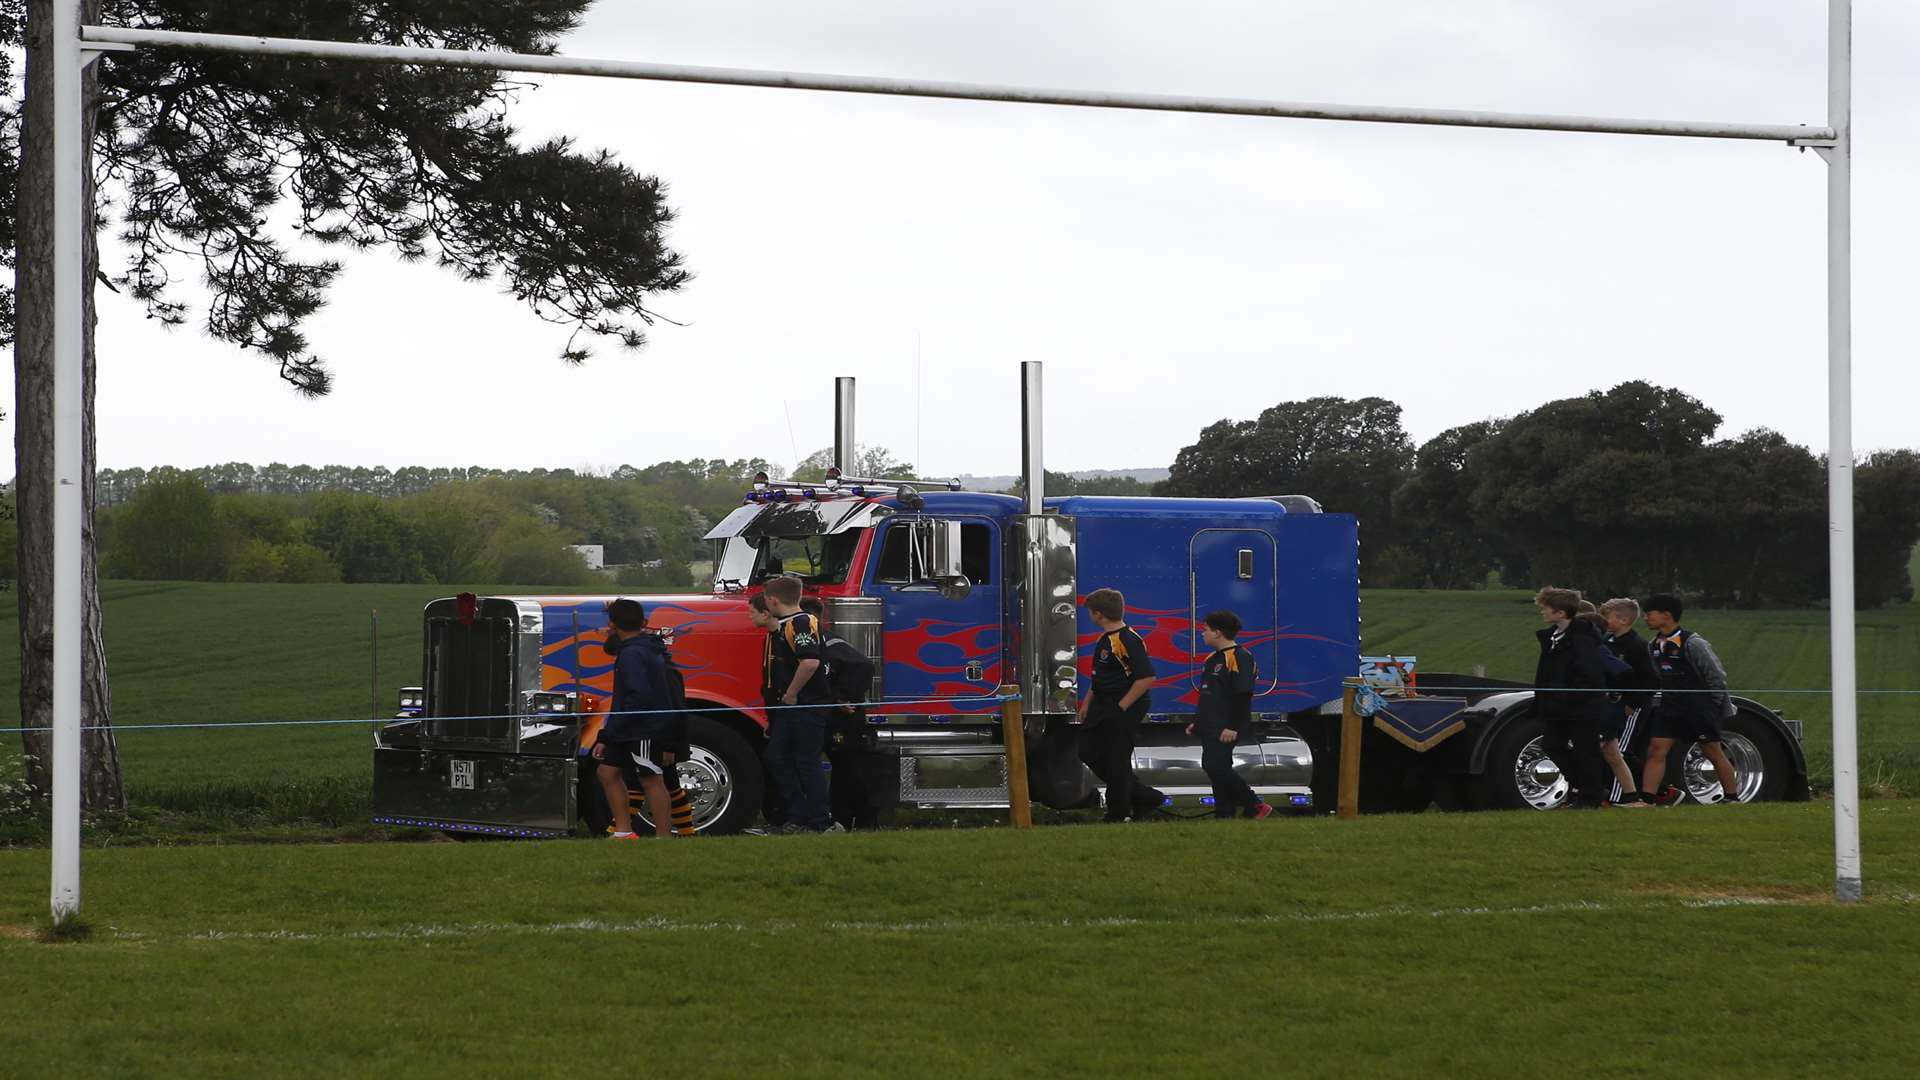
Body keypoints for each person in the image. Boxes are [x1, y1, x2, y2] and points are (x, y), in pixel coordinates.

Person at [1639, 593, 1741, 805]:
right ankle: (1647, 800)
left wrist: (1711, 705)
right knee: (1656, 748)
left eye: (1649, 614)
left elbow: (1716, 676)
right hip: (1669, 707)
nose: (1645, 618)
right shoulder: (1653, 645)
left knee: (1711, 750)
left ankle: (1732, 798)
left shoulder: (1693, 643)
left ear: (1666, 615)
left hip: (1698, 708)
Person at [759, 575, 842, 834]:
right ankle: (797, 815)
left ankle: (820, 821)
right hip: (788, 708)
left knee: (807, 762)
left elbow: (809, 662)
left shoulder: (800, 623)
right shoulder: (785, 625)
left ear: (772, 600)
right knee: (777, 757)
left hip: (806, 705)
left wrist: (792, 694)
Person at [1078, 588, 1165, 823]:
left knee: (1117, 759)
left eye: (1090, 612)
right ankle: (1144, 795)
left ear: (1099, 614)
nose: (1089, 616)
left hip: (1123, 706)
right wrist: (1087, 703)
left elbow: (1147, 677)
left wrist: (1121, 707)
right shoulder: (1104, 639)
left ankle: (1118, 813)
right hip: (1102, 704)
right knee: (1086, 749)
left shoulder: (1127, 639)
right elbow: (1100, 677)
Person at [593, 598, 675, 839]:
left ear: (613, 624)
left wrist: (608, 734)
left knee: (650, 778)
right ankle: (623, 832)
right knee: (607, 772)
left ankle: (663, 836)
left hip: (641, 728)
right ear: (643, 622)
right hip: (627, 727)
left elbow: (636, 696)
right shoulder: (641, 647)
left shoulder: (633, 654)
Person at [801, 597, 883, 830]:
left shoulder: (830, 644)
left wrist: (842, 697)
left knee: (848, 770)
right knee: (841, 769)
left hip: (845, 719)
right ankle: (841, 818)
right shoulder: (812, 643)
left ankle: (861, 819)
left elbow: (864, 666)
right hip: (829, 715)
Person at [1185, 609, 1273, 820]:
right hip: (1210, 723)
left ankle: (1254, 804)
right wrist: (1197, 722)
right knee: (1218, 768)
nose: (1202, 634)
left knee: (1214, 765)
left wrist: (1233, 726)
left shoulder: (1239, 657)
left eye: (1205, 630)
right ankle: (1224, 813)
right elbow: (1209, 695)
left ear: (1218, 632)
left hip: (1225, 724)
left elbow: (1242, 695)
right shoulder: (1211, 659)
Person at [1532, 586, 1610, 809]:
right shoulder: (1553, 638)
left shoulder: (1582, 640)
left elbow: (1588, 676)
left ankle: (1590, 795)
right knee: (1551, 744)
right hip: (1556, 707)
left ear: (1560, 612)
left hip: (1580, 707)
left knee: (1587, 751)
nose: (1542, 613)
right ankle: (1583, 786)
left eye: (1546, 609)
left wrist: (1568, 699)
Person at [1598, 597, 1660, 807]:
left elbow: (1652, 680)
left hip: (1633, 707)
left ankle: (1623, 797)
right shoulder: (1607, 641)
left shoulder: (1637, 645)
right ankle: (1661, 790)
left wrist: (1631, 704)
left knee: (1619, 750)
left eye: (1607, 617)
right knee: (1609, 749)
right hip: (1612, 705)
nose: (1604, 621)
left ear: (1623, 620)